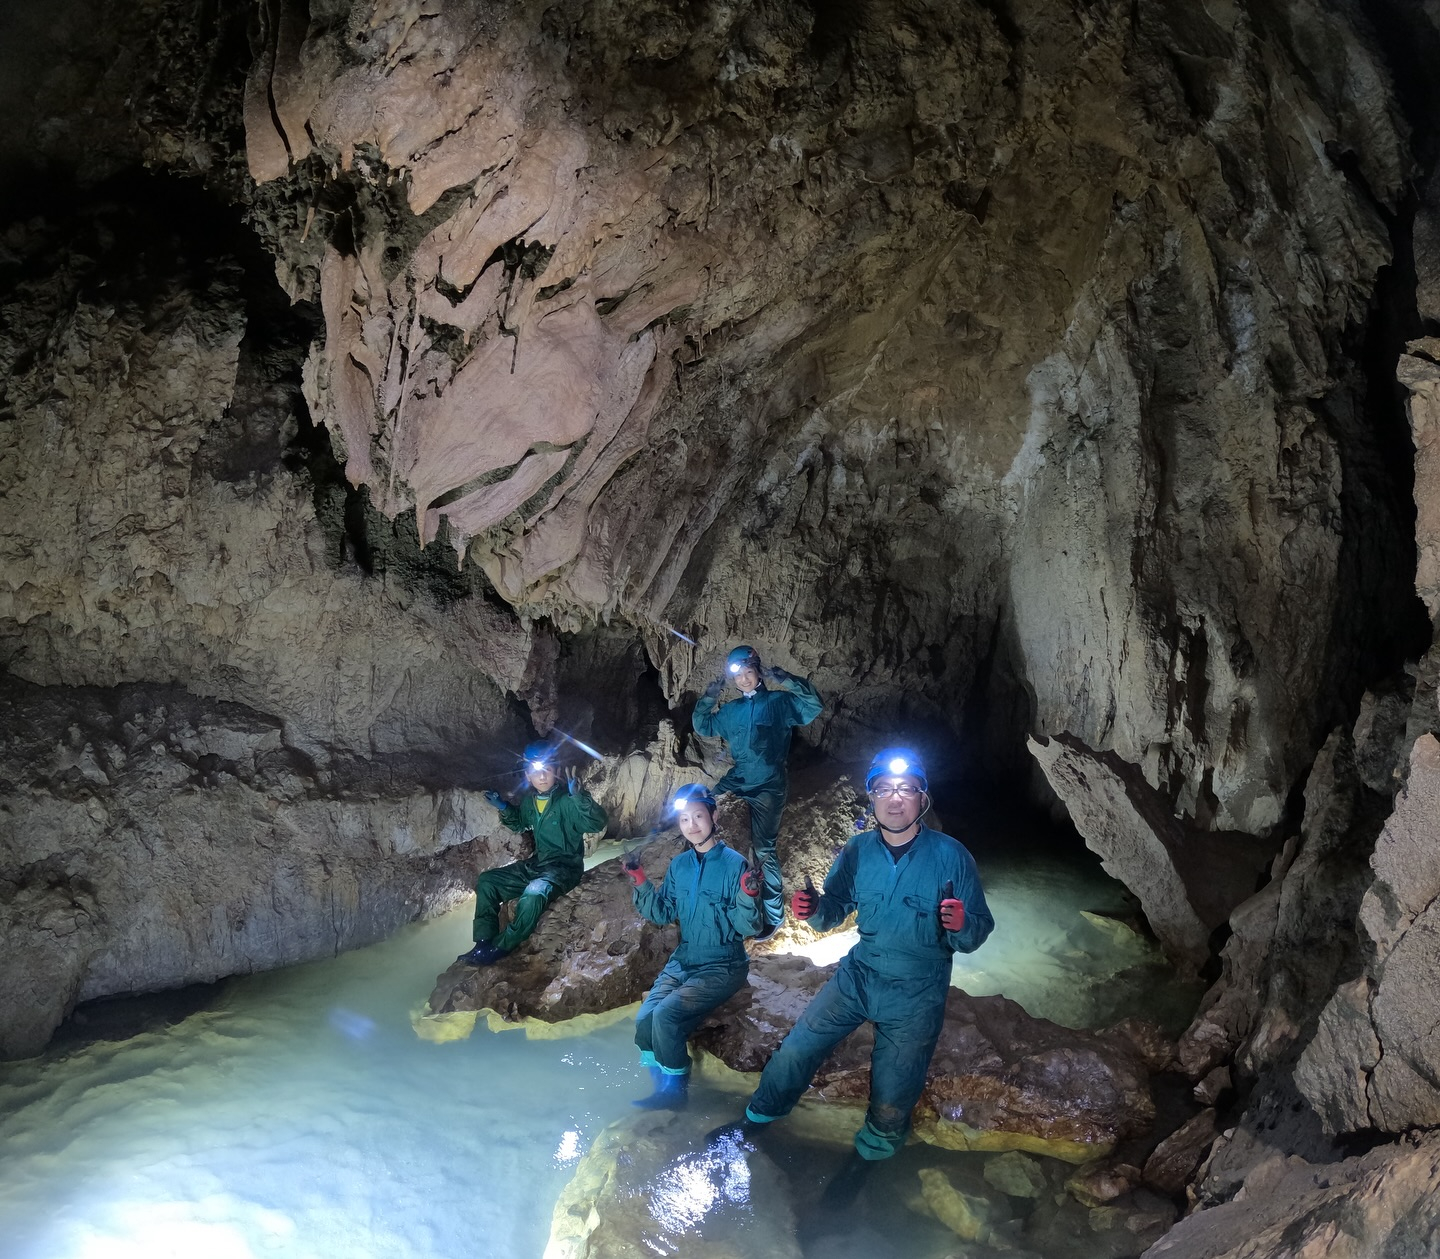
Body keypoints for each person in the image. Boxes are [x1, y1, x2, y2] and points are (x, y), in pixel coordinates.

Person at [740, 747, 993, 1163]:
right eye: (884, 789)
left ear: (922, 798)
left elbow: (974, 935)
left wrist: (961, 924)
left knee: (894, 1090)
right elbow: (834, 910)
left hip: (917, 988)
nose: (895, 798)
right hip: (859, 975)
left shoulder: (952, 856)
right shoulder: (858, 850)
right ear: (872, 799)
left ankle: (872, 1159)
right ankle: (758, 1117)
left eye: (906, 789)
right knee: (798, 1048)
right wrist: (814, 910)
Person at [623, 783, 762, 1109]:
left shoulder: (734, 865)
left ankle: (675, 1094)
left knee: (667, 1015)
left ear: (713, 816)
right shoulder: (680, 865)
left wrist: (748, 895)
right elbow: (661, 912)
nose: (692, 825)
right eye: (685, 819)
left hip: (723, 963)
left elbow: (747, 927)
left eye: (698, 816)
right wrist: (640, 880)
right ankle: (661, 1084)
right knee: (645, 1019)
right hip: (685, 958)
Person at [692, 645, 822, 939]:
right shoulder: (732, 710)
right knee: (703, 809)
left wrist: (786, 678)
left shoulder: (779, 702)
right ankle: (714, 898)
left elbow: (813, 705)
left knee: (764, 847)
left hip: (769, 782)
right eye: (737, 676)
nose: (743, 680)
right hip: (738, 777)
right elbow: (702, 725)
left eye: (747, 672)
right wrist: (710, 695)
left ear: (757, 671)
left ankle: (773, 916)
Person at [456, 741, 608, 965]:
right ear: (528, 775)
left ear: (555, 771)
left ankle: (502, 946)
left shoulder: (567, 801)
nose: (542, 776)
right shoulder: (530, 802)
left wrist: (580, 798)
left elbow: (597, 823)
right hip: (539, 864)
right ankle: (482, 942)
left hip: (565, 868)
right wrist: (503, 807)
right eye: (536, 772)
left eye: (547, 769)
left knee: (534, 892)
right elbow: (519, 823)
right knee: (487, 881)